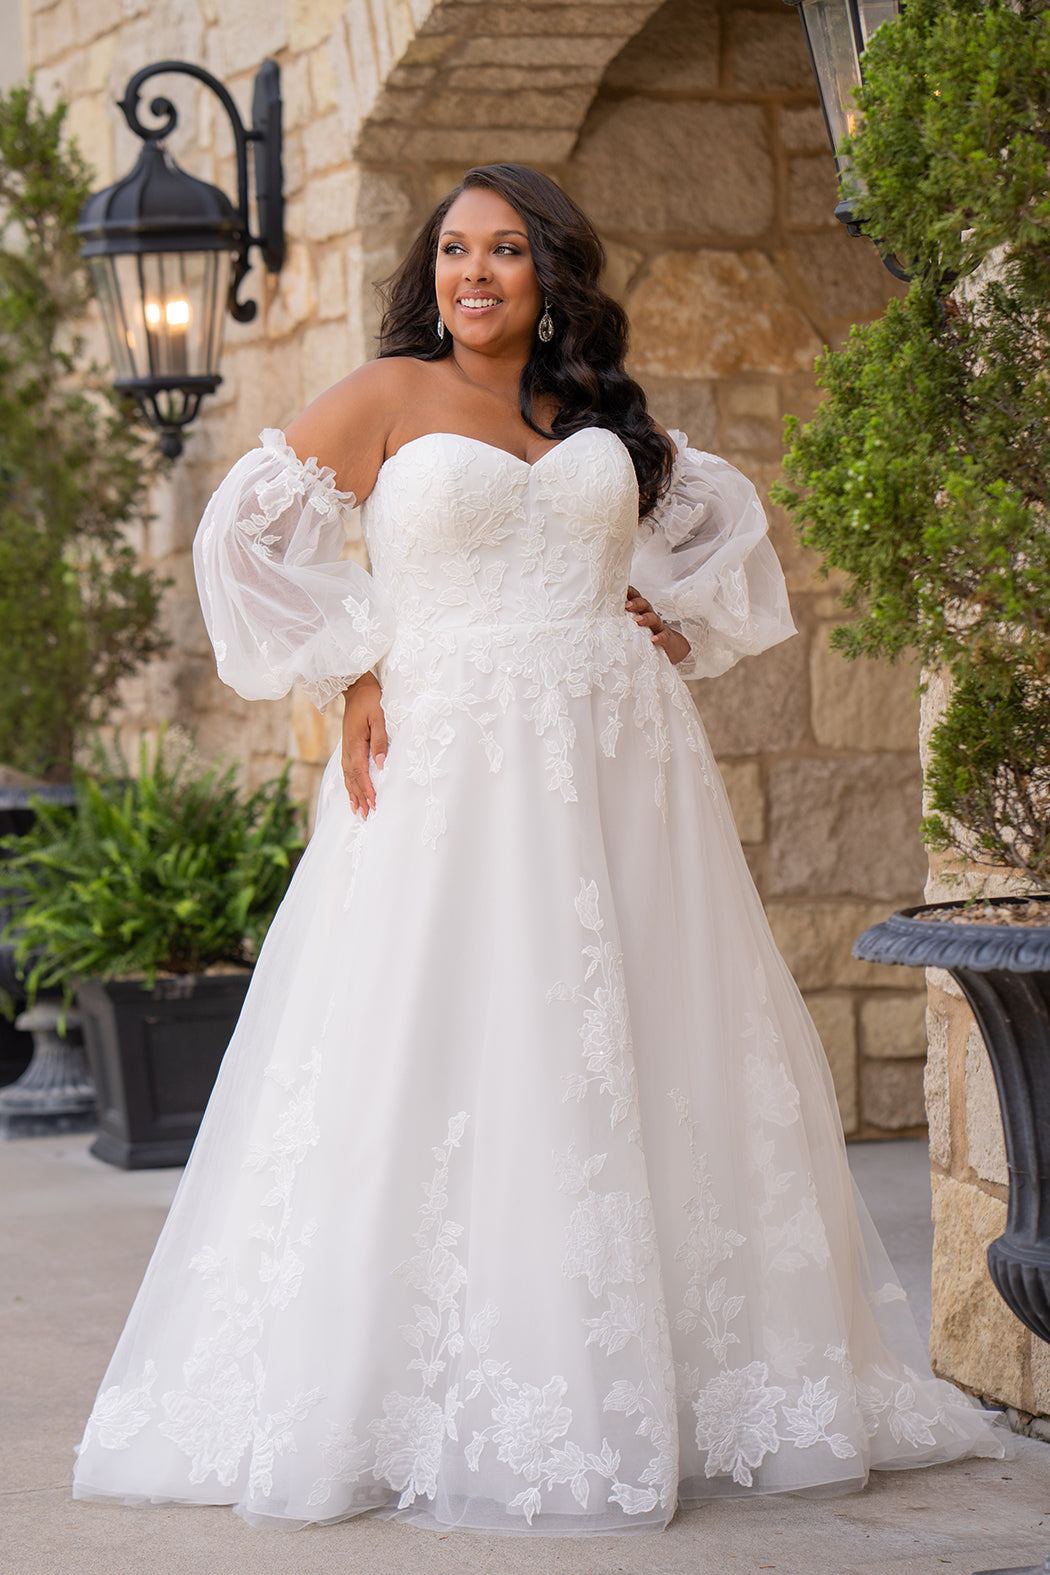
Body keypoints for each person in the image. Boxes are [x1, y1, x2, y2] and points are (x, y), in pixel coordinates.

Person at [71, 164, 1001, 1534]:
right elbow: (242, 539)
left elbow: (724, 529)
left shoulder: (596, 417)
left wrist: (663, 616)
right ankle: (422, 1380)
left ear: (551, 271)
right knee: (452, 1040)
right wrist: (357, 664)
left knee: (645, 1035)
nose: (476, 274)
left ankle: (681, 1376)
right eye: (455, 250)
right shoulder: (386, 397)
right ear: (430, 273)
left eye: (505, 250)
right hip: (453, 766)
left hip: (620, 765)